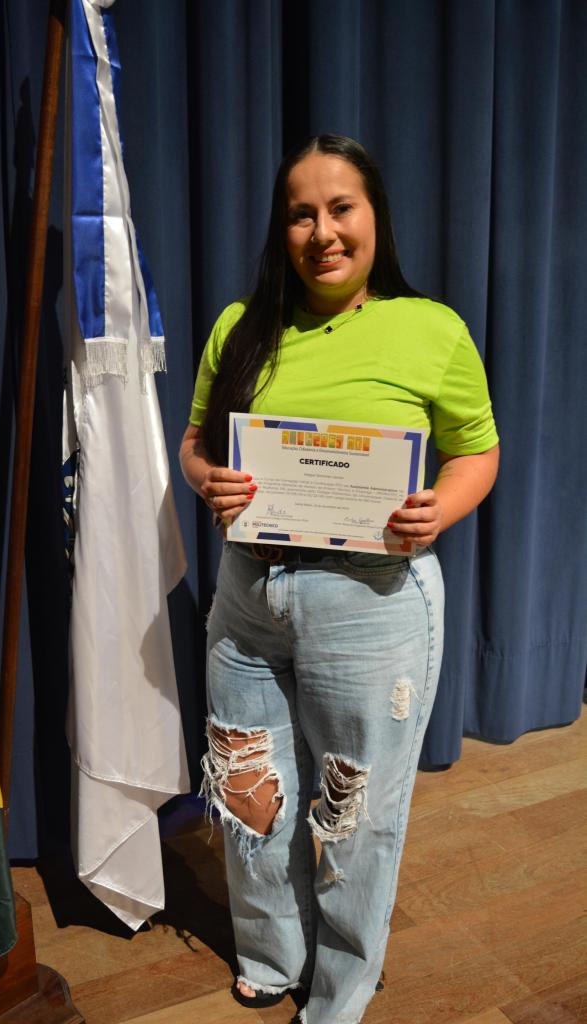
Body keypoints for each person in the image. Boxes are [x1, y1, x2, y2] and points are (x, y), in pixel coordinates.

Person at [179, 134, 499, 1024]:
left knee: (355, 812)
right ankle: (270, 954)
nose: (321, 231)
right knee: (248, 790)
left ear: (373, 218)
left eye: (339, 208)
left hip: (370, 604)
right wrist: (208, 481)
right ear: (280, 229)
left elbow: (477, 450)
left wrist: (438, 508)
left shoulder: (430, 328)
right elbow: (197, 442)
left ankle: (341, 988)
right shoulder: (239, 328)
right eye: (300, 214)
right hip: (247, 596)